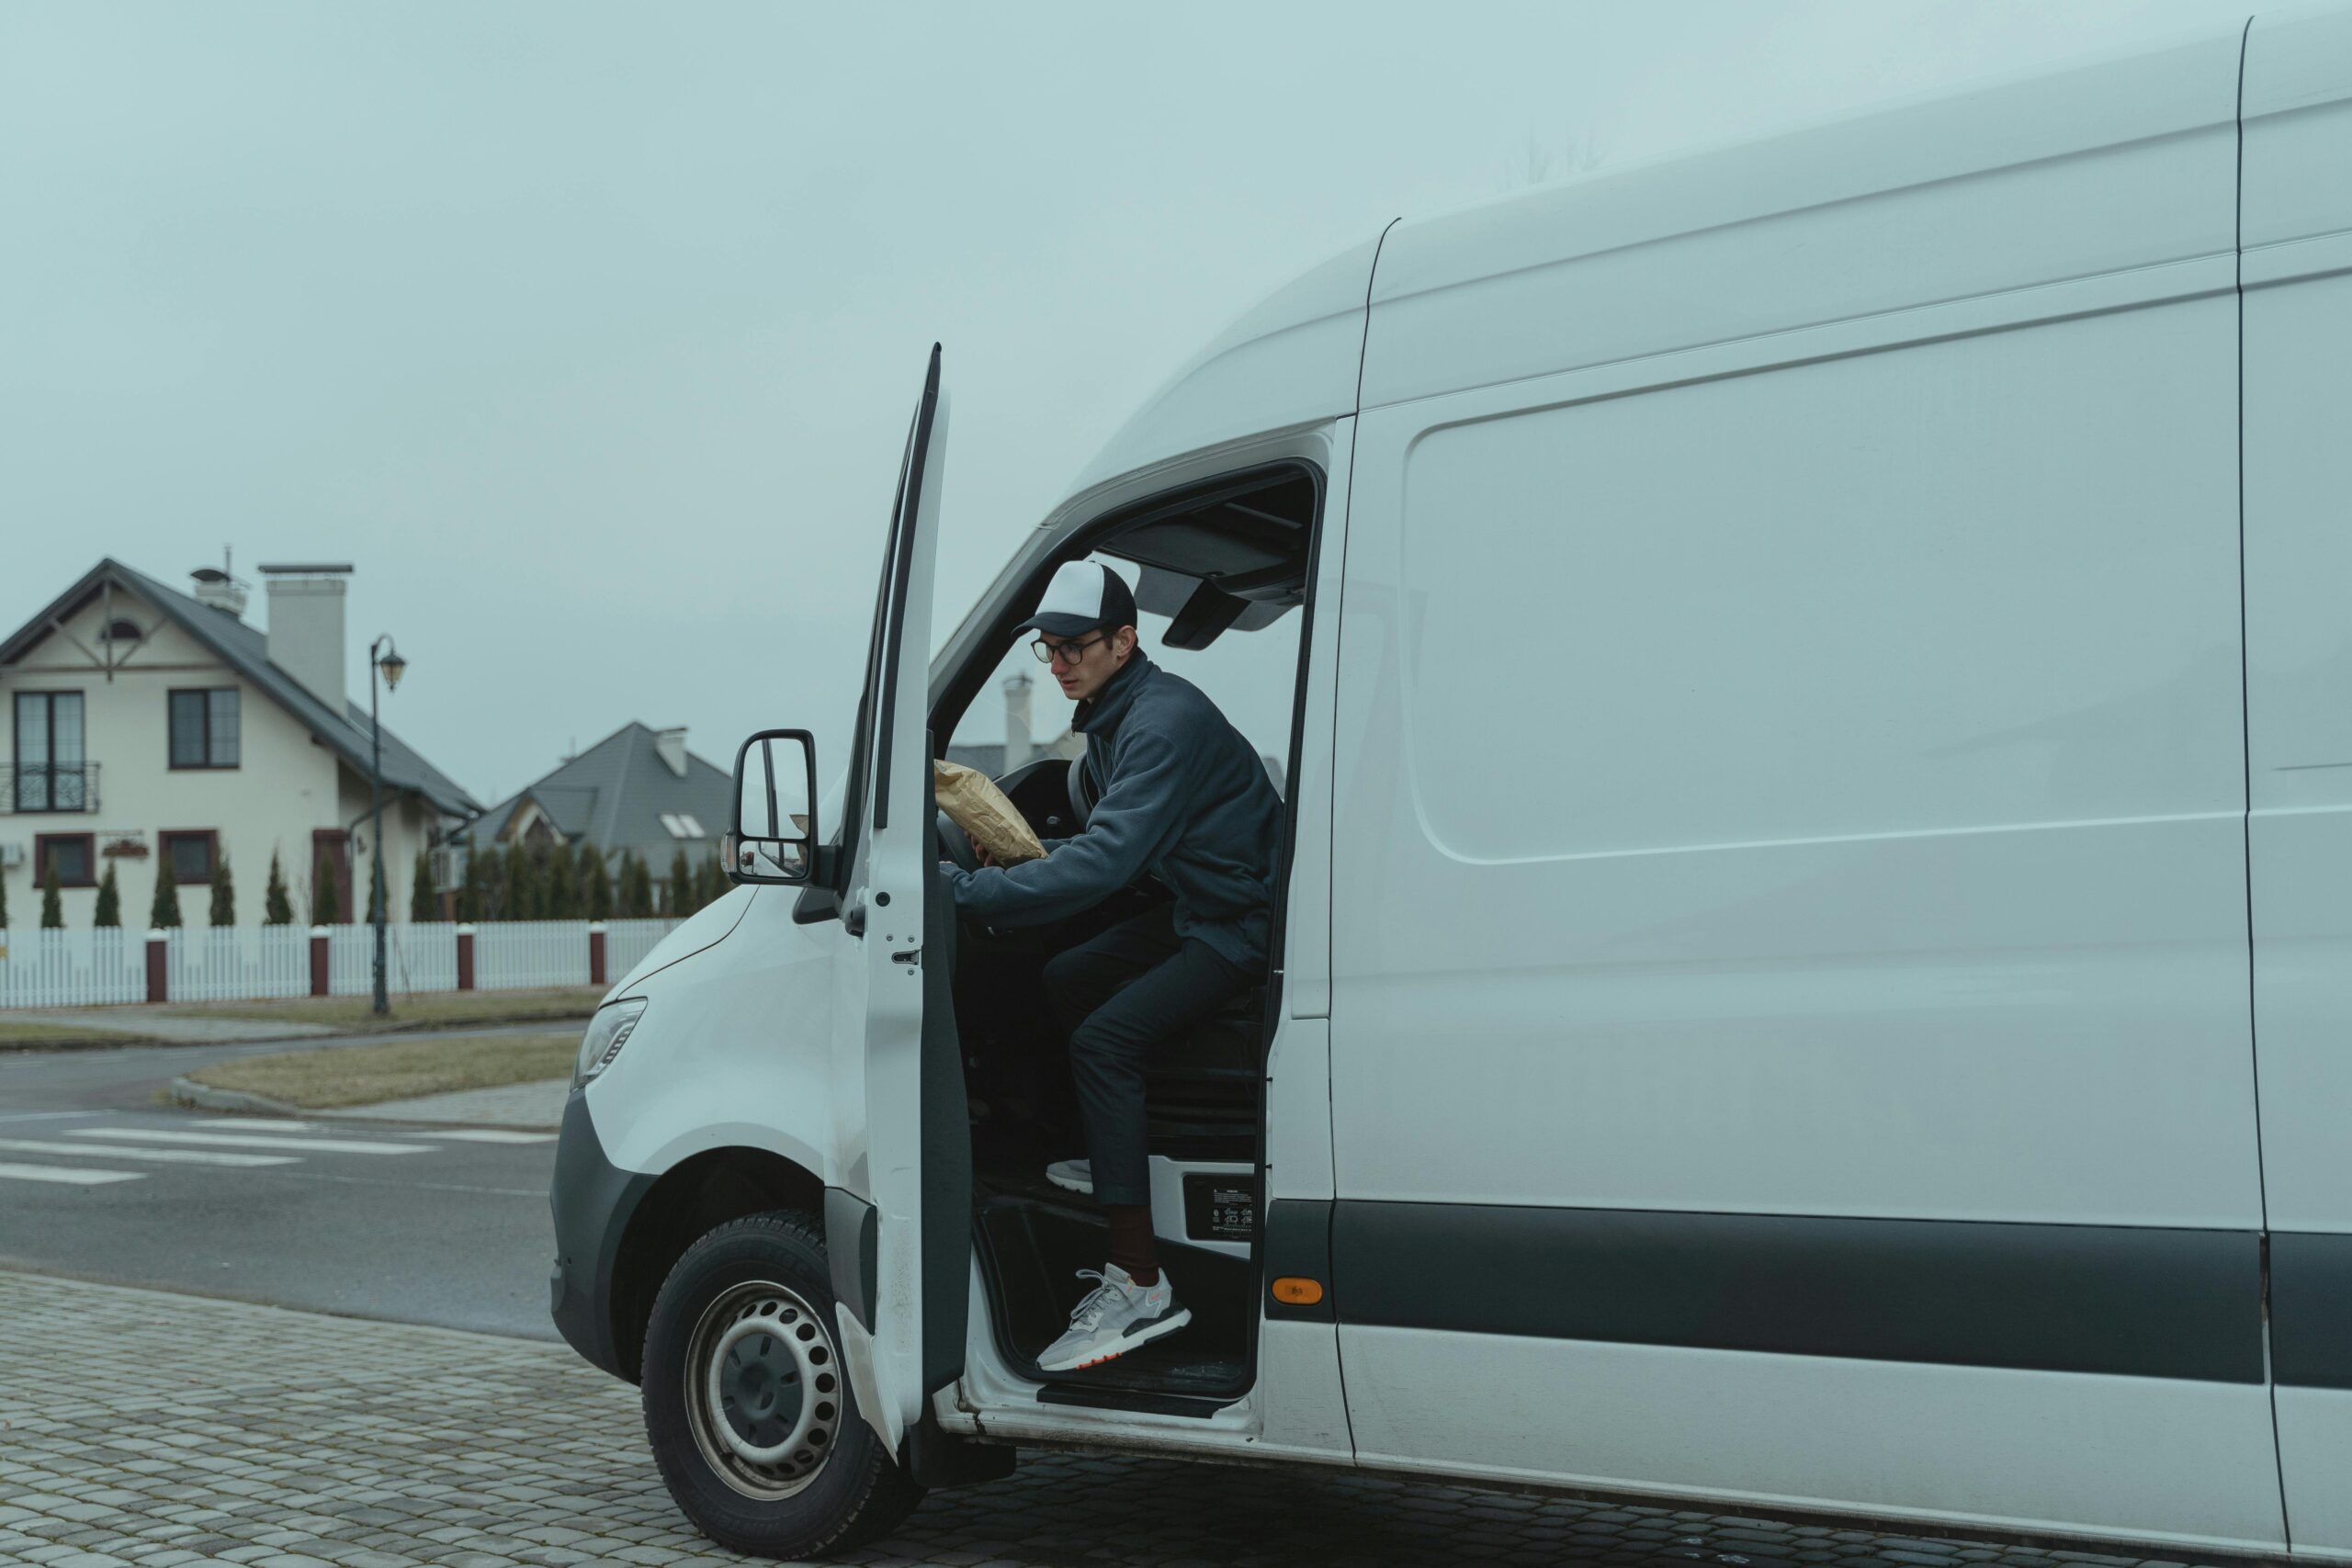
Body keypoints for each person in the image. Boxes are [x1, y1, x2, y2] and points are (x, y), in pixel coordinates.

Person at [941, 559, 1282, 1372]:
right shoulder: (1112, 720)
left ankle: (1139, 1282)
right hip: (1199, 904)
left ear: (1124, 642)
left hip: (1245, 926)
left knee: (1103, 1042)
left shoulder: (1161, 724)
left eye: (1075, 646)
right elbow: (1106, 843)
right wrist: (1020, 856)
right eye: (1048, 649)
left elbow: (1105, 863)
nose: (1059, 663)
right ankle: (1110, 1148)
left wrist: (968, 891)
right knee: (1070, 975)